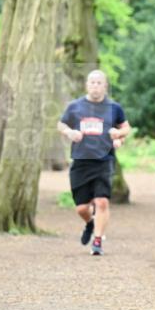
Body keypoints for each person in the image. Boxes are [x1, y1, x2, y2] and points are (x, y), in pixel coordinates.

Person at [56, 70, 131, 256]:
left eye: (99, 82)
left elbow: (125, 128)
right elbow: (61, 124)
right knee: (81, 207)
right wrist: (69, 133)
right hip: (81, 161)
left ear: (105, 86)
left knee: (102, 201)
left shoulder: (114, 108)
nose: (95, 85)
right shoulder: (75, 107)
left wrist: (118, 136)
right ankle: (90, 222)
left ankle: (97, 242)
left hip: (103, 161)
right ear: (87, 85)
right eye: (92, 82)